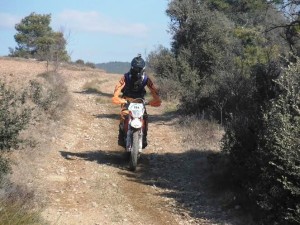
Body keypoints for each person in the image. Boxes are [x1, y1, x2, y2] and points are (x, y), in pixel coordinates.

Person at [112, 54, 161, 148]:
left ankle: (144, 137)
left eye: (139, 69)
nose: (137, 71)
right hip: (127, 99)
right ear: (132, 67)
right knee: (124, 116)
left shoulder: (146, 79)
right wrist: (117, 97)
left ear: (143, 69)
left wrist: (156, 99)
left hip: (140, 101)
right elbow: (118, 87)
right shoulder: (126, 77)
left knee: (145, 117)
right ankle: (121, 137)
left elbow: (153, 90)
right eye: (135, 68)